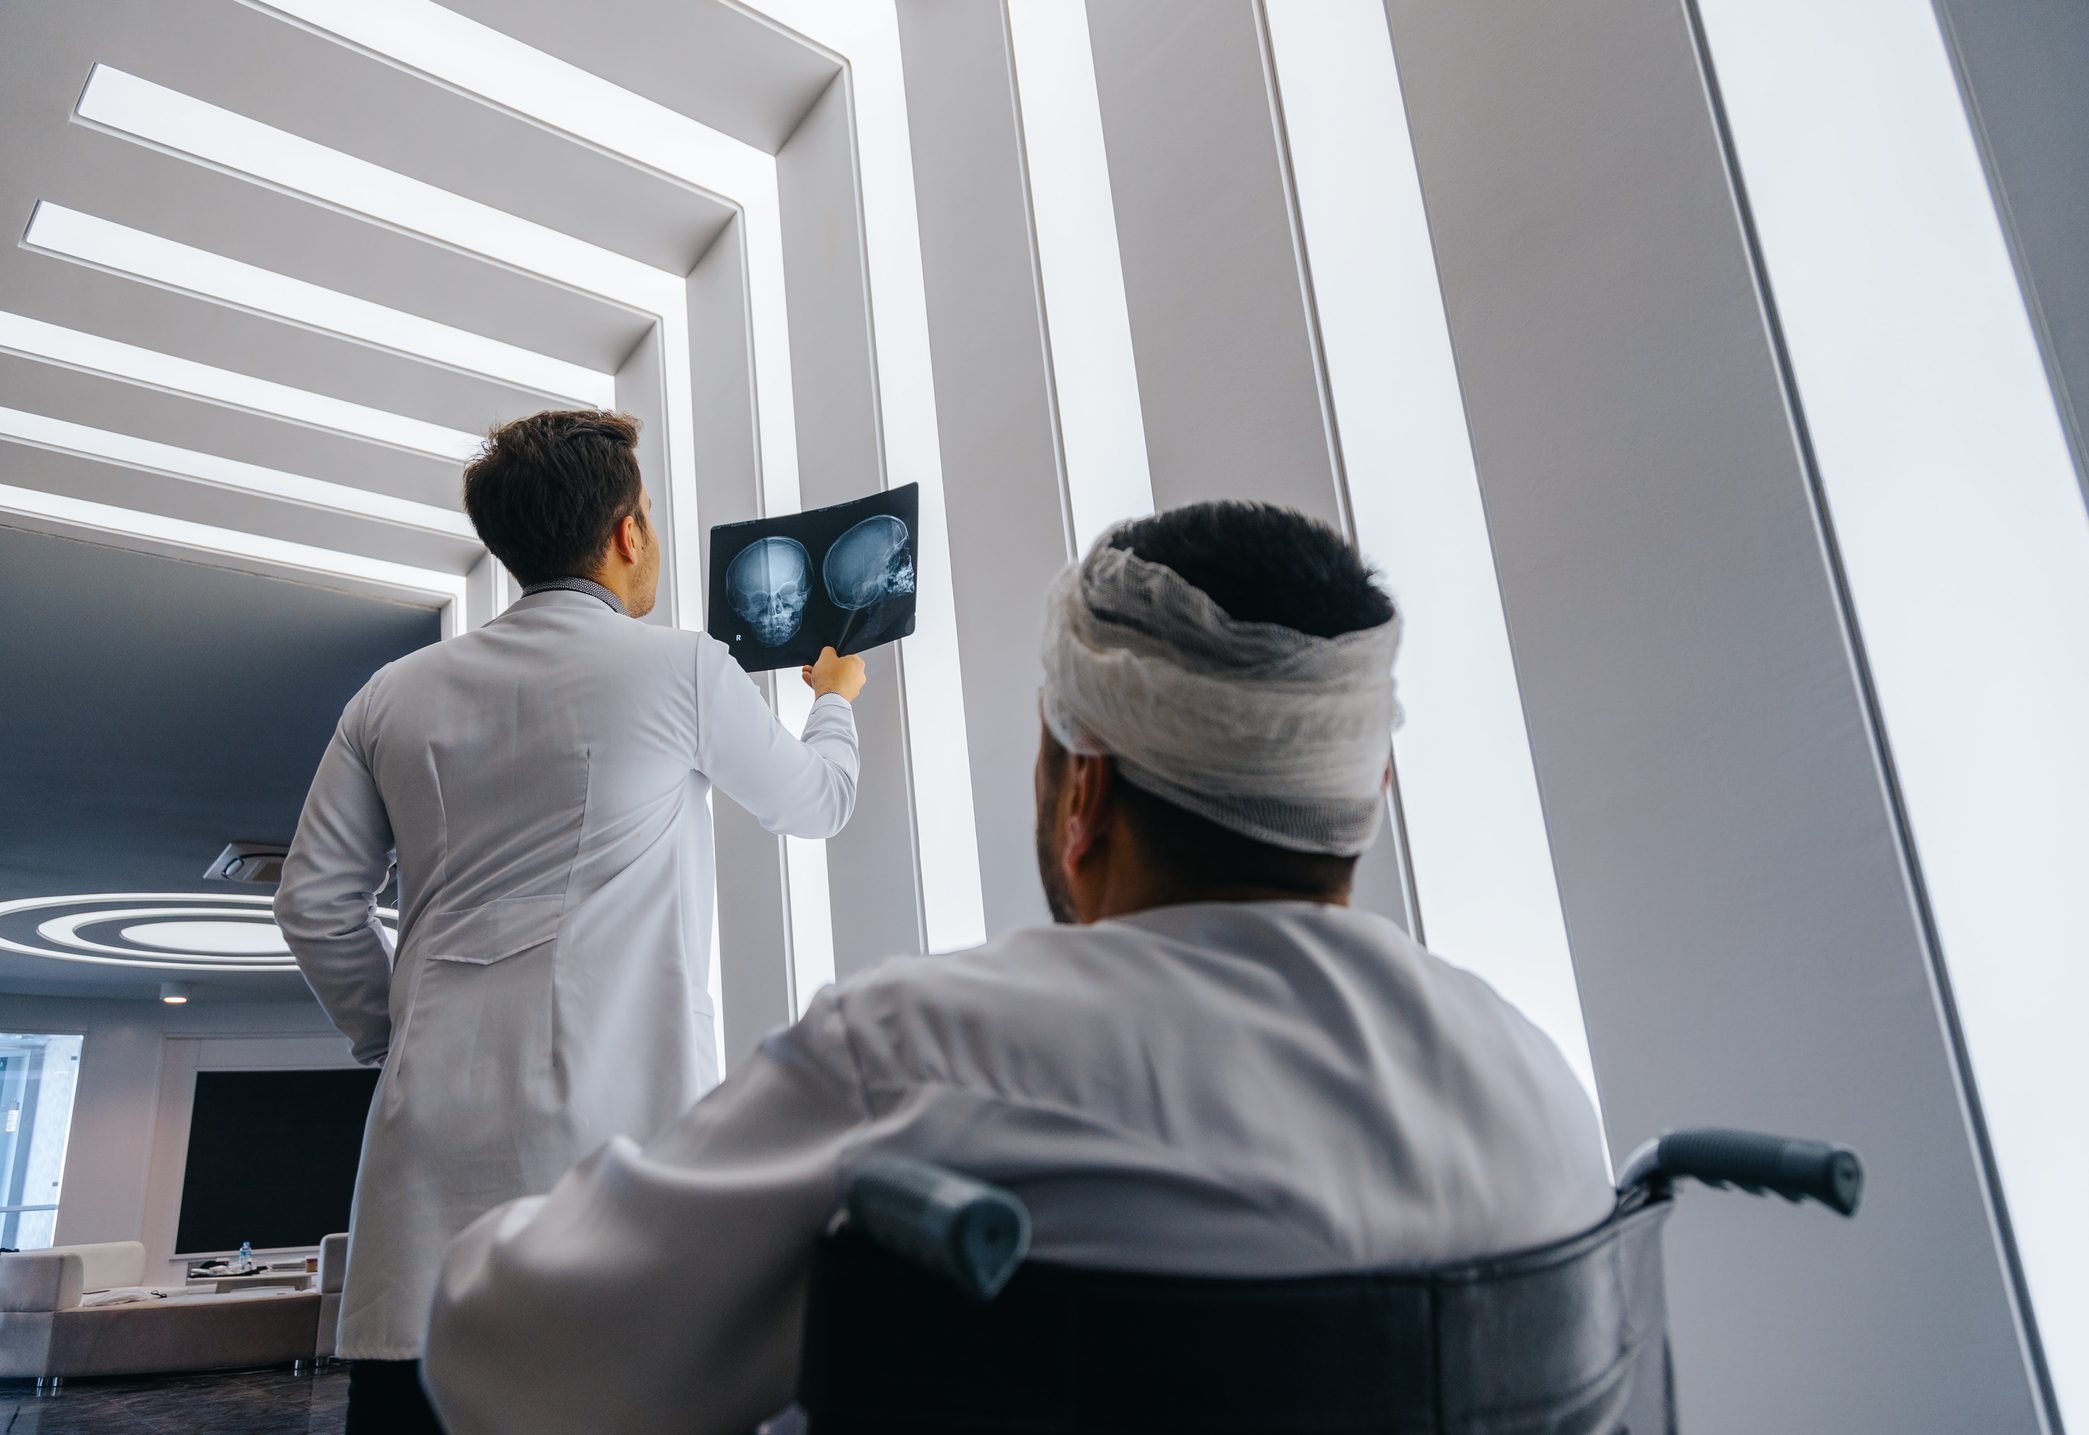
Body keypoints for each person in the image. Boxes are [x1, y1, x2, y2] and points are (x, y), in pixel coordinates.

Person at [420, 500, 1611, 1435]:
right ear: (1361, 791)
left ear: (1080, 788)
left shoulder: (921, 1061)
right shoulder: (1539, 1093)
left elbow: (516, 1367)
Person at [275, 409, 865, 1433]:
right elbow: (816, 803)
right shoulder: (680, 666)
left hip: (426, 1173)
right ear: (628, 533)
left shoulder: (390, 695)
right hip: (605, 1164)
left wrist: (392, 1031)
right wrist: (836, 697)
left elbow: (315, 902)